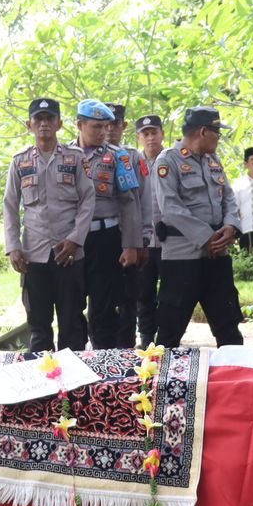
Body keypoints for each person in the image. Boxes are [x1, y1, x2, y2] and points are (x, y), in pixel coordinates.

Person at [3, 98, 94, 351]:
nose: (44, 123)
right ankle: (41, 374)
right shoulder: (19, 161)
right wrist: (13, 247)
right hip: (34, 254)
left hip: (69, 253)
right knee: (38, 324)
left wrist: (76, 239)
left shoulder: (75, 158)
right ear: (29, 125)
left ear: (59, 124)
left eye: (49, 118)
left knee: (72, 323)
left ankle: (73, 375)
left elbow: (88, 200)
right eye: (38, 119)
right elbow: (10, 205)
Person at [153, 107, 244, 347]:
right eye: (217, 132)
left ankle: (234, 370)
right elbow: (170, 207)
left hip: (217, 255)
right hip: (182, 257)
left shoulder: (213, 160)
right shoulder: (168, 160)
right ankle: (158, 373)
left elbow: (229, 198)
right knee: (169, 332)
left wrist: (231, 226)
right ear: (203, 132)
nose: (219, 138)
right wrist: (207, 238)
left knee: (229, 328)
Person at [74, 100, 144, 349]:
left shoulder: (118, 157)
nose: (103, 132)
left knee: (103, 305)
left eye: (106, 127)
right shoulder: (65, 155)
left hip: (105, 238)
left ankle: (104, 360)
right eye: (96, 127)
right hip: (72, 240)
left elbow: (129, 202)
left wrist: (131, 245)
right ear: (79, 125)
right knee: (71, 305)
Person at [108, 103, 146, 345]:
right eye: (105, 124)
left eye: (115, 124)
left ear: (124, 126)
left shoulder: (132, 157)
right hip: (98, 238)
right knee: (100, 301)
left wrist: (141, 241)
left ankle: (127, 350)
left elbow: (143, 201)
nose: (110, 129)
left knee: (128, 300)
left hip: (128, 239)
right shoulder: (82, 154)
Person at [132, 113, 167, 347]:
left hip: (169, 240)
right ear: (138, 137)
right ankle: (145, 337)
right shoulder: (134, 163)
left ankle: (166, 337)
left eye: (154, 132)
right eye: (145, 134)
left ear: (162, 134)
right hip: (143, 240)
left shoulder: (172, 159)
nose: (150, 137)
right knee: (143, 292)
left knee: (169, 292)